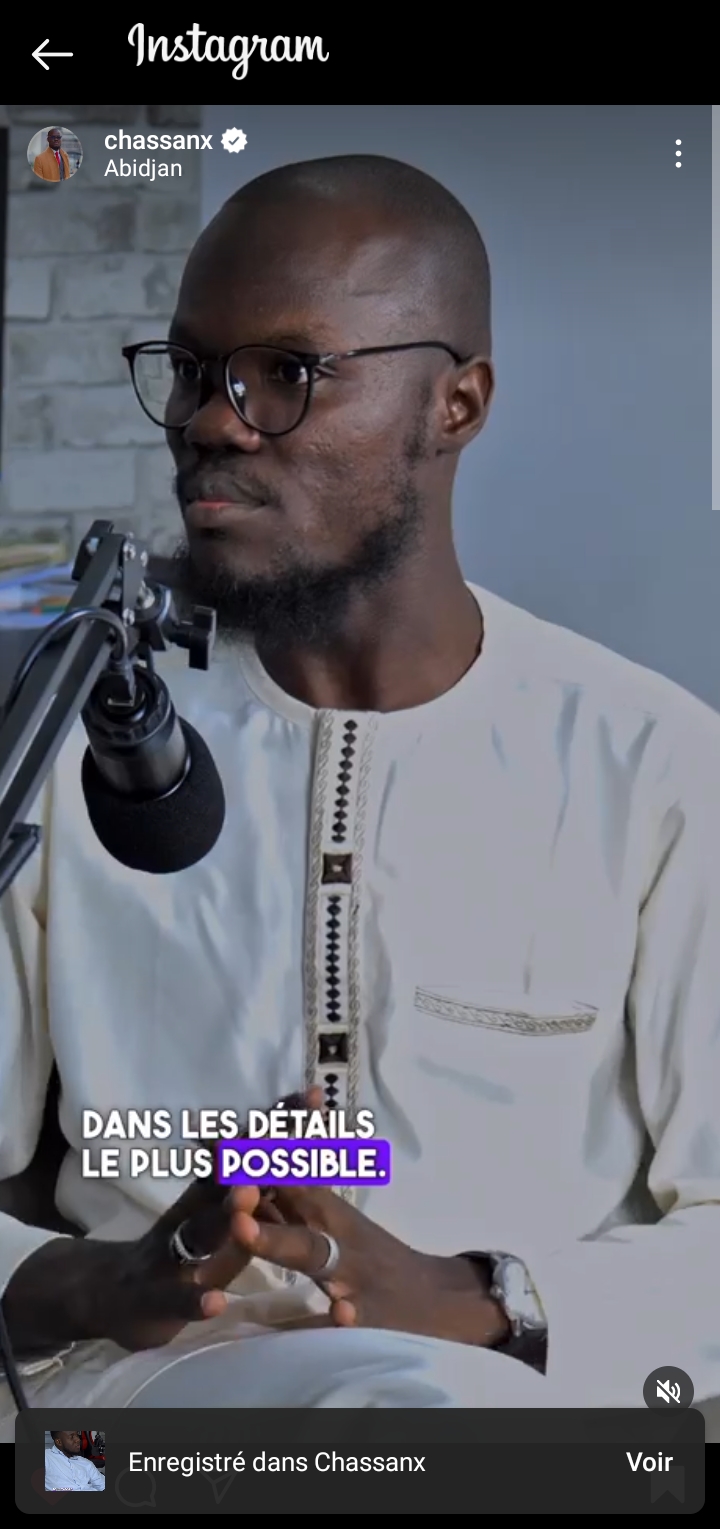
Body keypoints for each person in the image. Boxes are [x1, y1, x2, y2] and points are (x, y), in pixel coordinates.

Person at [1, 154, 719, 1423]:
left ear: (457, 404)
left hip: (511, 1403)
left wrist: (481, 1295)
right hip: (142, 1391)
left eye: (287, 372)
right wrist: (98, 1280)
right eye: (191, 370)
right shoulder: (68, 740)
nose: (212, 420)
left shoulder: (651, 763)